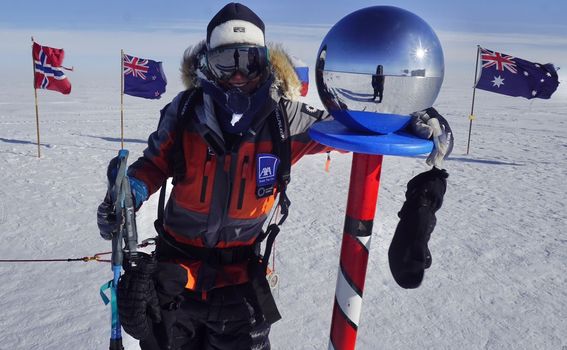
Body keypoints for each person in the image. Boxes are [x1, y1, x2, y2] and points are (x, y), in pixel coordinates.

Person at [97, 3, 453, 349]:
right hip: (174, 276)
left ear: (264, 62)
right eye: (226, 62)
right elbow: (155, 163)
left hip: (240, 281)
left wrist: (413, 117)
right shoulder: (184, 111)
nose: (237, 75)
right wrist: (132, 190)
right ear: (207, 64)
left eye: (248, 61)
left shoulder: (285, 121)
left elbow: (351, 127)